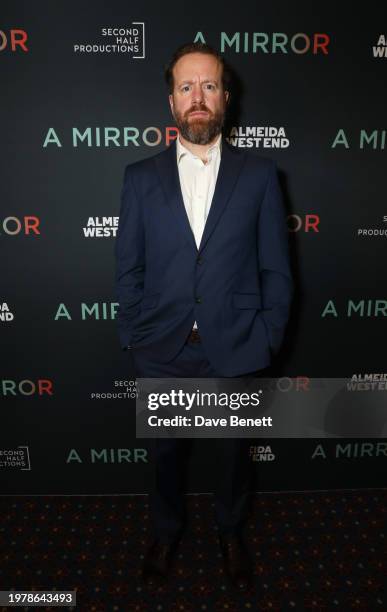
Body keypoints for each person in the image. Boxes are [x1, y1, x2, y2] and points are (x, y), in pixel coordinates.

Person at [114, 41, 293, 590]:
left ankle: (230, 531)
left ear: (225, 98)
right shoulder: (139, 178)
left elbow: (277, 272)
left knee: (234, 458)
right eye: (187, 87)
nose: (198, 97)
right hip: (162, 351)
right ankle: (165, 532)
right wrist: (135, 336)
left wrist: (265, 339)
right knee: (165, 458)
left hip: (236, 346)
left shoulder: (260, 176)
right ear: (171, 102)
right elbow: (129, 267)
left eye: (209, 86)